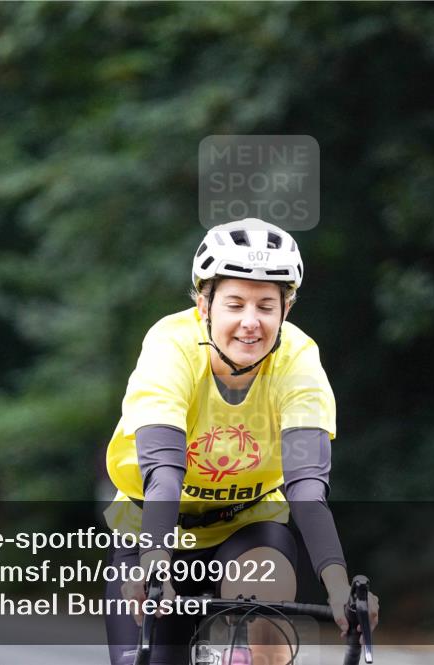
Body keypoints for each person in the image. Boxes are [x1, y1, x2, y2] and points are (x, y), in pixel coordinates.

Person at [103, 218, 379, 665]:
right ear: (203, 306)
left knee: (265, 610)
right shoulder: (168, 348)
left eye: (266, 306)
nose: (250, 323)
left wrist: (338, 587)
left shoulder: (299, 362)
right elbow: (164, 476)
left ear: (286, 310)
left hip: (247, 525)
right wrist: (155, 563)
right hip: (154, 527)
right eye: (235, 304)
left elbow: (307, 488)